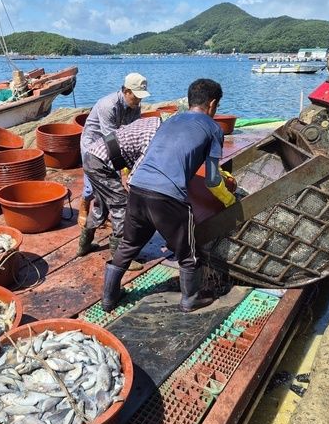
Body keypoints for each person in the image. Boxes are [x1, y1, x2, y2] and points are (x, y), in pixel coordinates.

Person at [101, 78, 237, 313]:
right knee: (188, 252)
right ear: (213, 104)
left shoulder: (171, 120)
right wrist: (231, 202)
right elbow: (213, 179)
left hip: (137, 188)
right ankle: (190, 300)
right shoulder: (213, 128)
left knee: (129, 244)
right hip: (167, 196)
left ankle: (109, 299)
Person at [77, 116, 162, 270]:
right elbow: (135, 176)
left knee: (101, 204)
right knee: (121, 205)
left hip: (93, 157)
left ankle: (84, 244)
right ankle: (119, 256)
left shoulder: (153, 121)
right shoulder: (155, 138)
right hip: (101, 162)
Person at [78, 72, 150, 227]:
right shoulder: (108, 105)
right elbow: (110, 140)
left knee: (112, 180)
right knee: (94, 180)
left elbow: (133, 131)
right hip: (94, 141)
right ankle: (84, 204)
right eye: (136, 97)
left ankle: (106, 210)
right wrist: (124, 169)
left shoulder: (135, 106)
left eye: (141, 97)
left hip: (115, 139)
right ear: (126, 91)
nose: (138, 101)